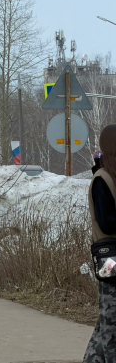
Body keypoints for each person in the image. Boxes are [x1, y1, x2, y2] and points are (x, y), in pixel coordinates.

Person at [84, 125, 116, 360]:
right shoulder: (102, 178)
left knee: (107, 320)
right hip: (110, 257)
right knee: (110, 319)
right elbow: (106, 222)